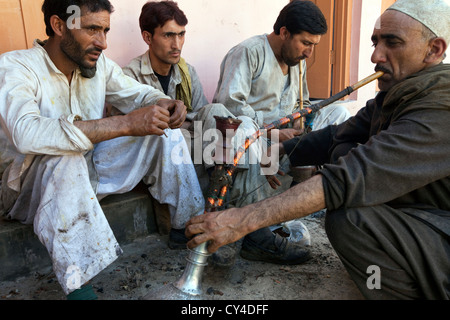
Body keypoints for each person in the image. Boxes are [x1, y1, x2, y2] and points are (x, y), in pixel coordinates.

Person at [186, 0, 450, 300]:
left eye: (393, 43)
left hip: (441, 224)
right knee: (239, 124)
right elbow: (339, 135)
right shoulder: (398, 94)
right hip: (257, 131)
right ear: (284, 33)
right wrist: (282, 149)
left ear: (434, 49)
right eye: (376, 42)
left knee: (348, 218)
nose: (375, 55)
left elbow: (349, 177)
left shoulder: (440, 106)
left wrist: (241, 220)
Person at [0, 0, 205, 299]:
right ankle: (81, 291)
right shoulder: (15, 66)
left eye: (106, 30)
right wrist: (123, 124)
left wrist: (163, 103)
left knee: (164, 133)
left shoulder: (98, 66)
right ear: (59, 25)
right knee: (64, 160)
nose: (103, 42)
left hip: (89, 171)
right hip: (27, 189)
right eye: (93, 29)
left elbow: (137, 94)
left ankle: (188, 229)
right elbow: (26, 133)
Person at [200, 0, 351, 267]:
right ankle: (254, 236)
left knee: (340, 114)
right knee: (241, 125)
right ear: (284, 32)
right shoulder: (248, 52)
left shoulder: (297, 62)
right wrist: (271, 132)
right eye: (306, 43)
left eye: (314, 45)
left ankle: (322, 191)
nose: (309, 52)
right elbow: (229, 105)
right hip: (249, 146)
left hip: (279, 147)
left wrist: (304, 127)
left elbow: (299, 106)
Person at [119, 0, 209, 248]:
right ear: (148, 37)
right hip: (151, 152)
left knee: (217, 117)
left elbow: (202, 115)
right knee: (171, 138)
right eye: (169, 35)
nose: (177, 44)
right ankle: (187, 226)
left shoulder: (186, 71)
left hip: (189, 146)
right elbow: (134, 132)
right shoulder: (129, 76)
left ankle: (231, 211)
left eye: (181, 35)